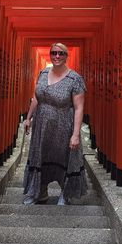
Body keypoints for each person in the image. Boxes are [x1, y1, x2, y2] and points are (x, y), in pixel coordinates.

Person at [22, 42, 88, 205]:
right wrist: (28, 117)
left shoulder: (75, 79)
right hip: (42, 125)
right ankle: (39, 192)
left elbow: (79, 108)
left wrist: (75, 134)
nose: (57, 56)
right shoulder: (43, 73)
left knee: (63, 158)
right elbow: (37, 97)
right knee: (40, 156)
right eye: (54, 53)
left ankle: (64, 194)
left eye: (61, 53)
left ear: (66, 56)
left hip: (63, 126)